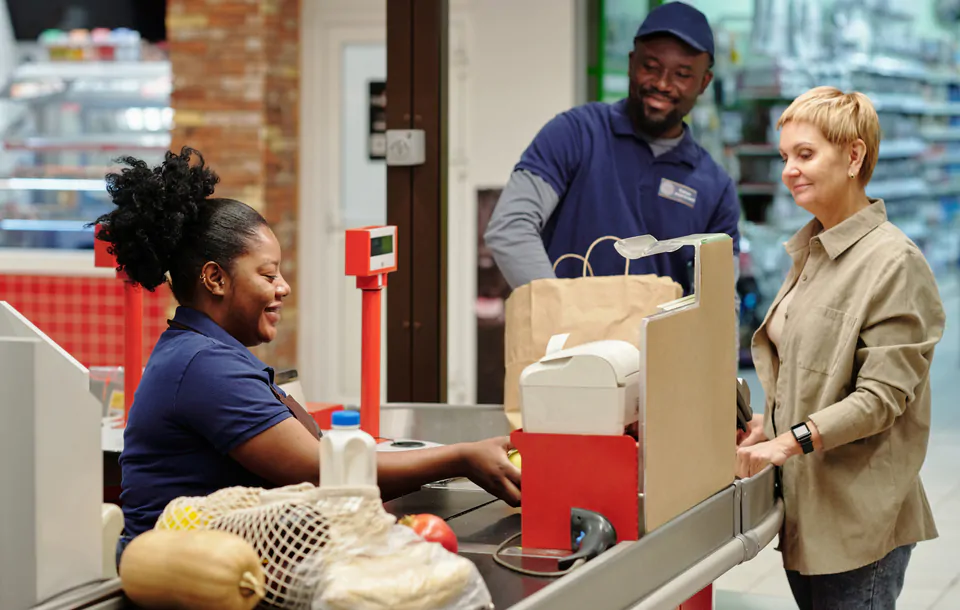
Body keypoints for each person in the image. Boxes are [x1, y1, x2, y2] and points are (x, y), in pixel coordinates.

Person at [98, 148, 521, 560]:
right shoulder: (201, 365)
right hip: (184, 581)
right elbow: (322, 472)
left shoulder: (207, 353)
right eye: (267, 274)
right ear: (215, 278)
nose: (282, 287)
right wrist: (461, 457)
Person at [735, 87, 945, 609]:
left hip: (858, 519)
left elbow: (880, 398)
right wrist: (771, 423)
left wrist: (787, 443)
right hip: (807, 505)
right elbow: (807, 365)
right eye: (785, 157)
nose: (789, 170)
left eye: (805, 154)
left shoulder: (894, 262)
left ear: (854, 156)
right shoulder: (813, 249)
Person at [484, 1, 741, 297]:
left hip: (657, 344)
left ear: (704, 82)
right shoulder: (576, 133)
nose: (662, 83)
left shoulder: (714, 187)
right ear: (632, 63)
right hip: (565, 340)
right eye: (651, 67)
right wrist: (563, 312)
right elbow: (509, 228)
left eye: (682, 74)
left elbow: (718, 300)